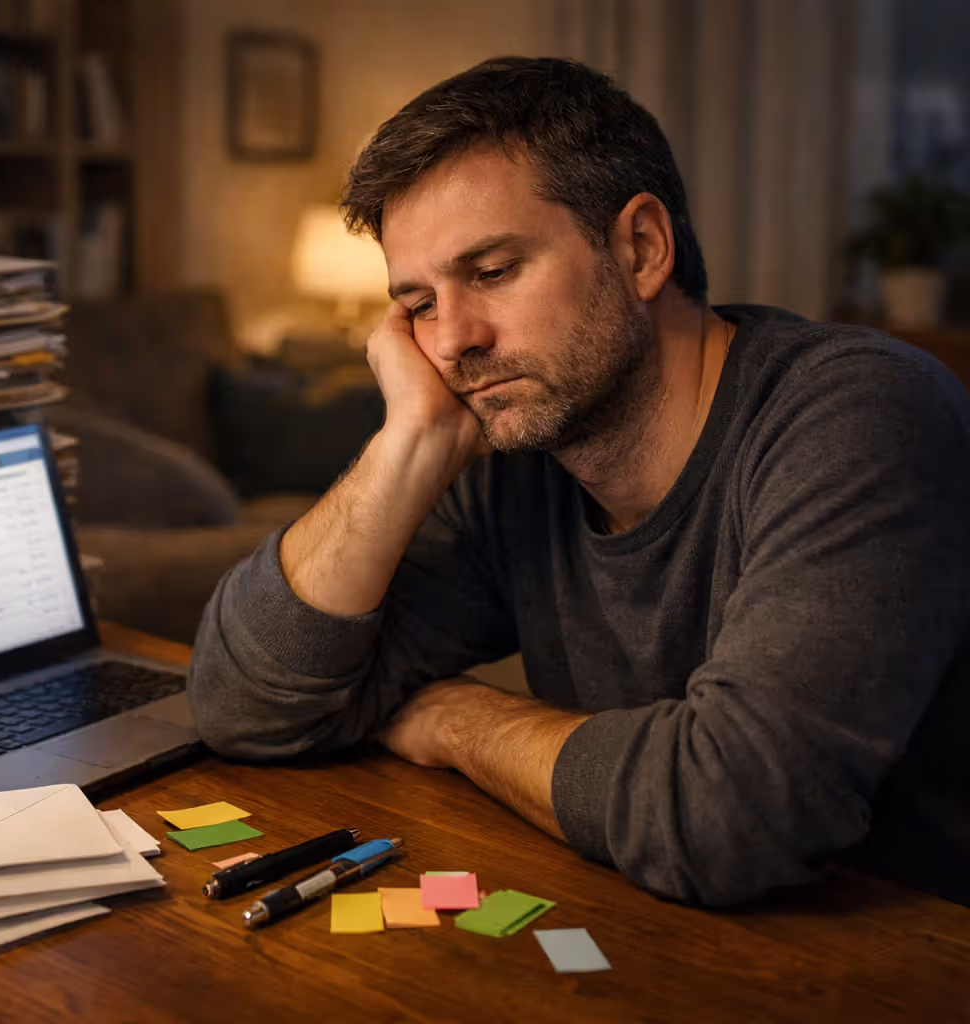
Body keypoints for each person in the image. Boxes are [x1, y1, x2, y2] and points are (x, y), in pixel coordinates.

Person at [187, 56, 970, 908]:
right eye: (417, 304)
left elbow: (735, 814)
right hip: (659, 940)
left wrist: (459, 721)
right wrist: (406, 443)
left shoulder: (859, 412)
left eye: (490, 272)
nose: (450, 342)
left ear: (640, 247)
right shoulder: (521, 461)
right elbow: (245, 707)